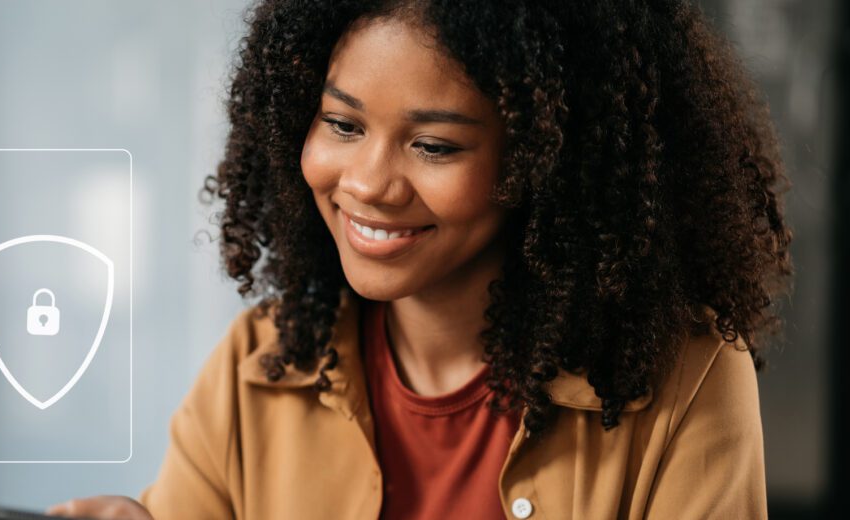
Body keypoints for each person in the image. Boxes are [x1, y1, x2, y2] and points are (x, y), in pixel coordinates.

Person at [49, 0, 792, 518]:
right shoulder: (261, 365)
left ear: (547, 161)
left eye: (433, 145)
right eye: (341, 123)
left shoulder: (685, 382)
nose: (367, 183)